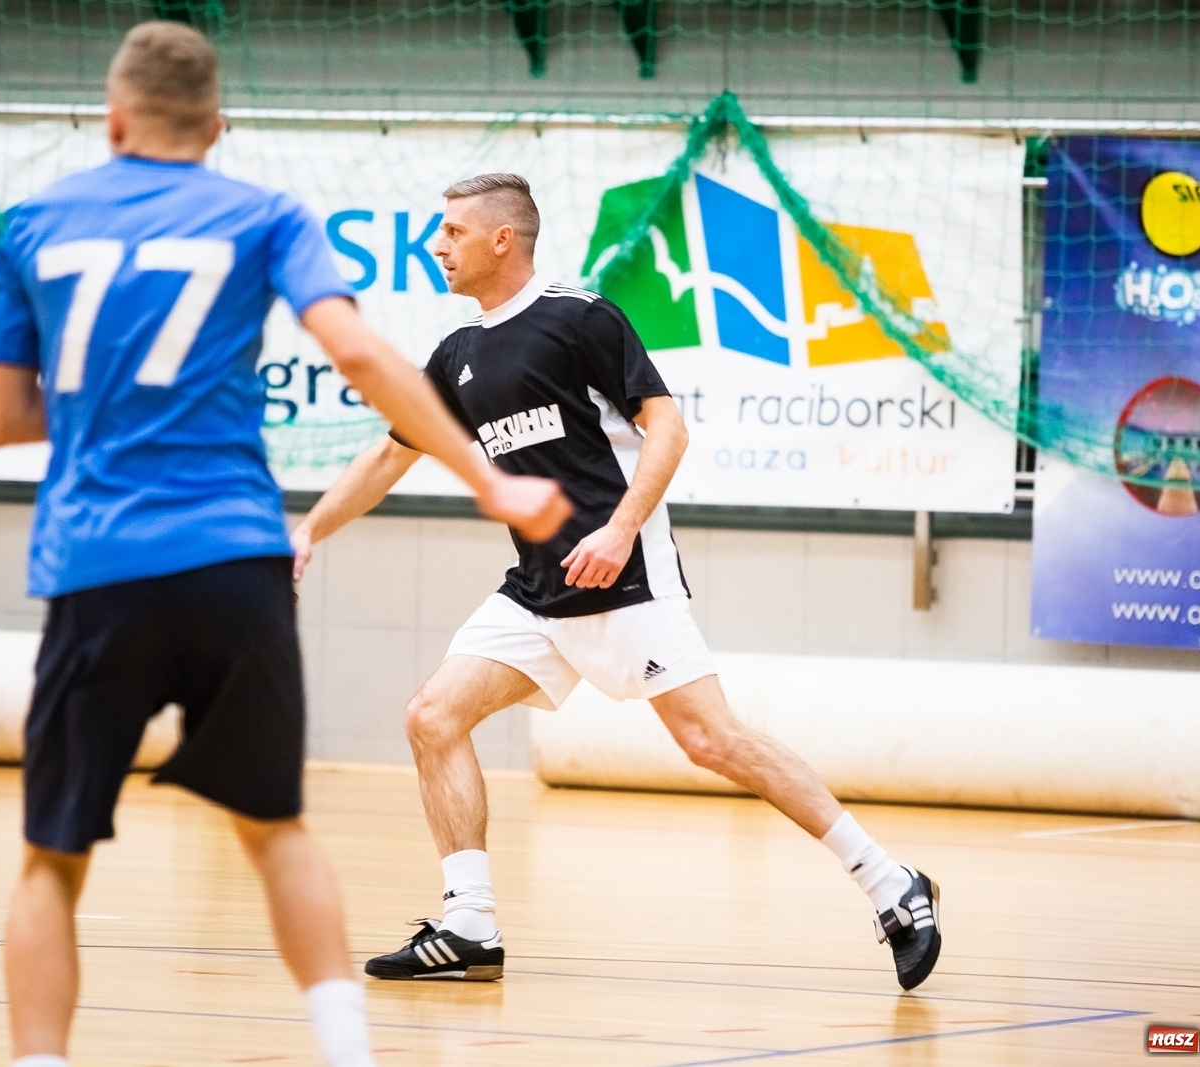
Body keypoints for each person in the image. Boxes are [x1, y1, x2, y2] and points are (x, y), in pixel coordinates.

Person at [0, 28, 569, 1067]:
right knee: (274, 830)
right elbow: (357, 352)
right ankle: (347, 1051)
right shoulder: (262, 215)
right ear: (214, 130)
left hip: (95, 564)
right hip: (231, 560)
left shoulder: (30, 222)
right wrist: (488, 478)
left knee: (50, 858)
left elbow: (3, 418)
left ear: (112, 121)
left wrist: (106, 406)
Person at [291, 173, 942, 992]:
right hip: (536, 589)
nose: (438, 245)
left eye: (453, 231)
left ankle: (893, 884)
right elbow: (391, 454)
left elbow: (666, 427)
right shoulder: (456, 355)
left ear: (502, 239)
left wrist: (620, 526)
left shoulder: (579, 317)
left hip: (626, 574)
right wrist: (308, 530)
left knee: (713, 741)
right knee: (433, 715)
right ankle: (470, 924)